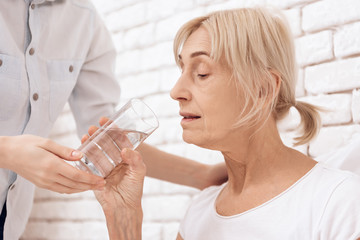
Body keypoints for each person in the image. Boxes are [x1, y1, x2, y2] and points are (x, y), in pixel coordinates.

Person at [97, 7, 360, 240]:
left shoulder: (338, 203)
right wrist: (124, 218)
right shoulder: (200, 212)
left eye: (202, 73)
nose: (176, 91)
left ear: (262, 89)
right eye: (182, 71)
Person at [0, 1, 227, 239]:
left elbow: (110, 139)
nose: (176, 92)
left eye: (202, 74)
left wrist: (202, 176)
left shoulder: (83, 20)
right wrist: (7, 152)